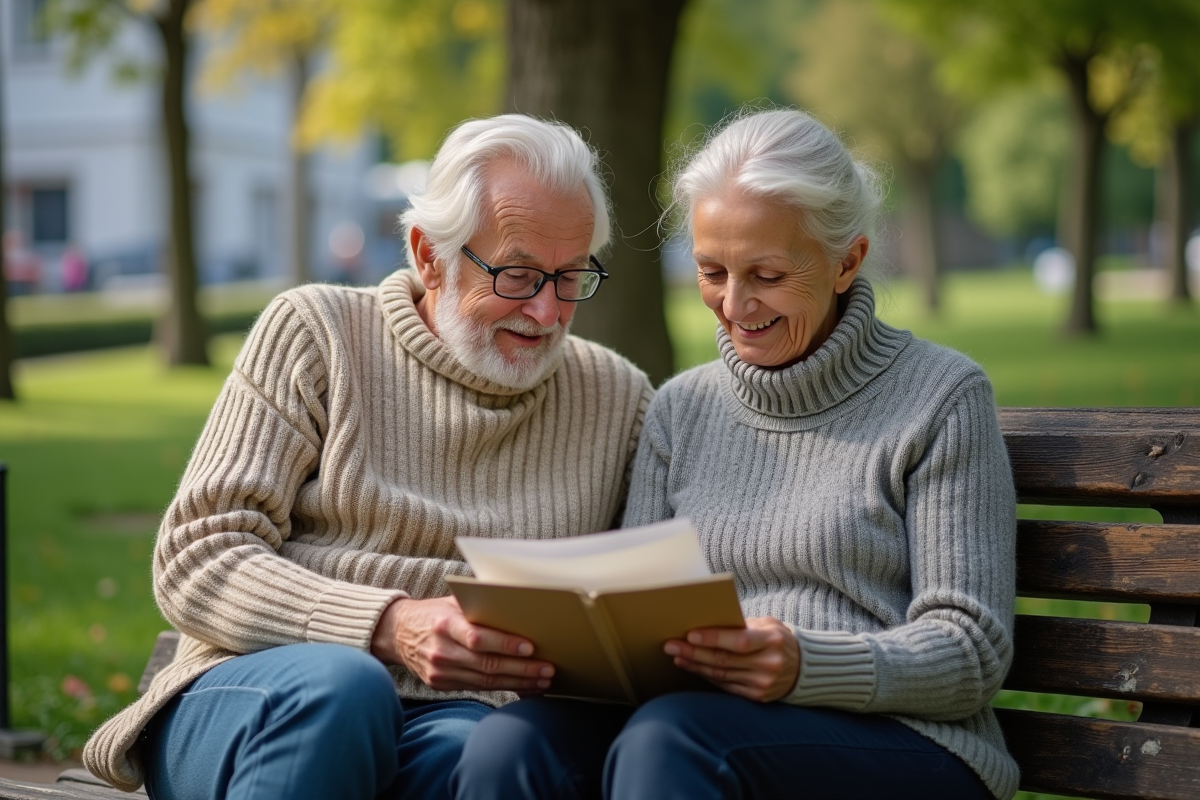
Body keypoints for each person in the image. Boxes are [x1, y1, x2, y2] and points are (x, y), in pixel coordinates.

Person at [81, 114, 654, 800]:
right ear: (427, 252)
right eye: (519, 273)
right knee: (342, 691)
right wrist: (388, 625)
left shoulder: (617, 396)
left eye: (570, 277)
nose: (547, 312)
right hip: (260, 689)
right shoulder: (318, 334)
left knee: (488, 755)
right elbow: (197, 558)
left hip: (462, 718)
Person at [452, 108, 1019, 800]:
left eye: (769, 275)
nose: (735, 304)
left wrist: (806, 664)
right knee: (514, 744)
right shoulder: (682, 408)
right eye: (712, 270)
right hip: (692, 721)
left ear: (848, 262)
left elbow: (971, 652)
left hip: (906, 742)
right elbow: (636, 612)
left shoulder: (941, 397)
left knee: (674, 741)